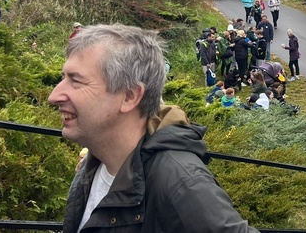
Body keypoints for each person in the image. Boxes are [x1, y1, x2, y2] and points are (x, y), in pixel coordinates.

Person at [47, 24, 257, 232]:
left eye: (76, 81)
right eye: (64, 78)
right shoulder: (93, 164)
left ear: (129, 96)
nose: (53, 96)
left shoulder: (181, 184)